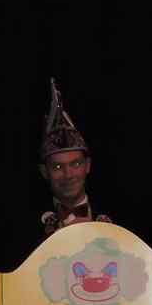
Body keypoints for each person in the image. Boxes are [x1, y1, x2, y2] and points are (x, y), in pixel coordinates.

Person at [37, 79, 112, 237]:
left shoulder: (119, 219)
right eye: (58, 167)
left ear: (88, 165)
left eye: (76, 164)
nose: (68, 174)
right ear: (44, 171)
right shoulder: (22, 230)